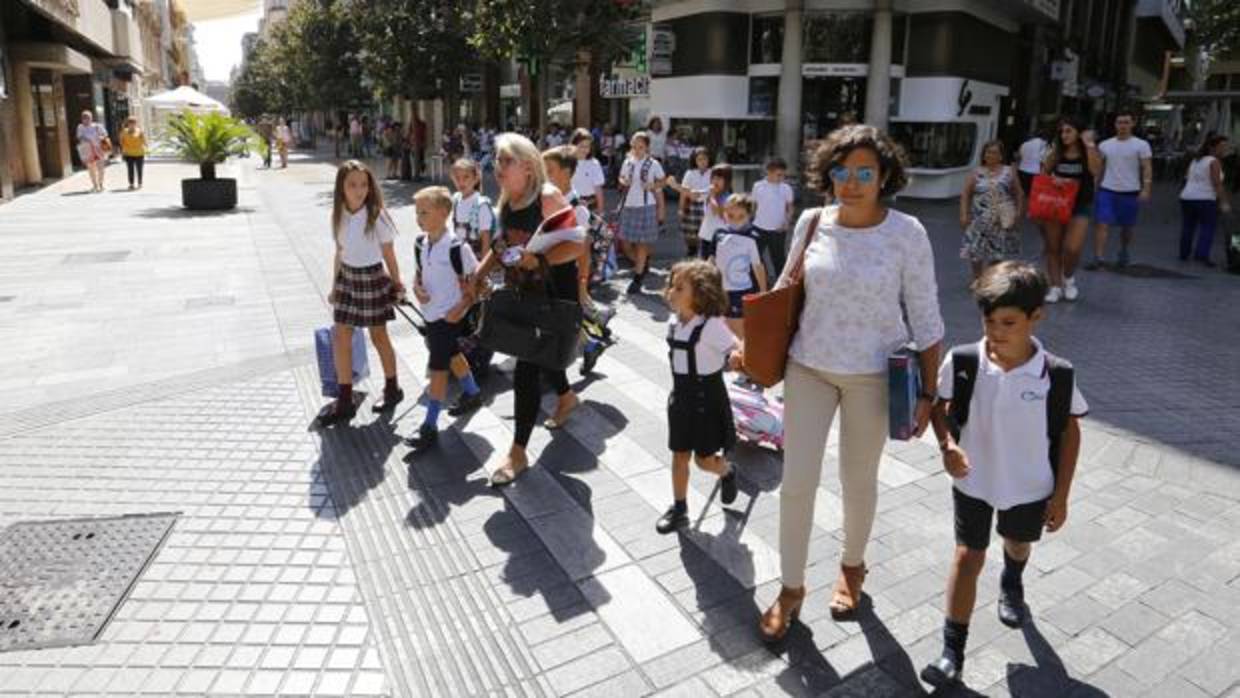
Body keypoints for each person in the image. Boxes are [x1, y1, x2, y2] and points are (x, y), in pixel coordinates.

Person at [752, 125, 945, 641]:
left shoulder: (907, 233)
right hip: (808, 367)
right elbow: (784, 289)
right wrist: (745, 341)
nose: (853, 183)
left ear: (885, 177)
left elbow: (926, 319)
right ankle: (791, 588)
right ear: (828, 175)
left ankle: (852, 566)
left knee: (857, 482)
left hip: (872, 377)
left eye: (865, 172)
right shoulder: (813, 222)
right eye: (842, 172)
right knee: (796, 483)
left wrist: (930, 393)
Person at [920, 261, 1087, 688]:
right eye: (989, 320)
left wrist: (1062, 495)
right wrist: (947, 445)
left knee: (1017, 543)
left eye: (1009, 322)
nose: (996, 331)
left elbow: (1069, 432)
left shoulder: (1056, 373)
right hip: (973, 480)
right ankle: (951, 650)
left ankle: (1012, 581)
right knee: (966, 556)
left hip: (1030, 485)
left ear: (1036, 317)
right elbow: (939, 406)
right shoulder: (964, 361)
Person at [472, 133, 587, 487]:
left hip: (556, 292)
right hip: (526, 291)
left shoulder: (548, 197)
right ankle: (567, 398)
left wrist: (538, 259)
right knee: (543, 354)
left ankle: (517, 452)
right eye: (497, 160)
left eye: (506, 160)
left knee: (526, 366)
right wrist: (479, 274)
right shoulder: (508, 201)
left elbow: (579, 245)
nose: (498, 167)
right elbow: (504, 242)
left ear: (528, 165)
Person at [656, 259, 744, 534]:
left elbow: (734, 346)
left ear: (701, 294)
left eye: (680, 288)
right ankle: (679, 508)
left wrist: (735, 356)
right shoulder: (674, 322)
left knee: (703, 461)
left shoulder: (711, 326)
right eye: (671, 285)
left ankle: (727, 471)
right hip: (680, 398)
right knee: (678, 455)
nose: (671, 292)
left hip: (707, 399)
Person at [320, 161, 406, 427]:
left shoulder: (375, 214)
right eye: (352, 185)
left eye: (364, 184)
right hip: (347, 277)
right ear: (341, 188)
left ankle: (392, 388)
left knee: (378, 335)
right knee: (341, 335)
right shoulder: (338, 215)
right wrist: (335, 285)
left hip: (372, 278)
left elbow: (389, 253)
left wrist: (398, 284)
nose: (359, 190)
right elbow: (340, 252)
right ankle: (345, 398)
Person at [404, 187, 486, 452]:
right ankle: (472, 393)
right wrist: (417, 289)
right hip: (431, 315)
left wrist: (462, 306)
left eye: (424, 212)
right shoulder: (420, 243)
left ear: (444, 213)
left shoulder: (457, 248)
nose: (419, 217)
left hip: (450, 318)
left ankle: (429, 425)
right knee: (451, 355)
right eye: (417, 212)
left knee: (438, 368)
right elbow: (418, 276)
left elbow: (478, 283)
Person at [544, 145, 614, 374]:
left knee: (564, 316)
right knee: (562, 316)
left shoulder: (577, 209)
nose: (544, 176)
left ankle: (579, 350)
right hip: (550, 268)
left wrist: (582, 282)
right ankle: (590, 345)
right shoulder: (549, 200)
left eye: (549, 170)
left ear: (567, 173)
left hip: (569, 272)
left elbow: (582, 249)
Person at [1041, 118, 1101, 303]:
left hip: (1080, 204)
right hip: (1056, 203)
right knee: (1053, 247)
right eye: (1061, 132)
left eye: (1068, 131)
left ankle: (1068, 278)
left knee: (1072, 248)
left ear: (1078, 133)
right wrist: (1054, 180)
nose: (1064, 135)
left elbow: (1095, 170)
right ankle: (1055, 286)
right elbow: (1043, 174)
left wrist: (1089, 144)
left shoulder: (1088, 152)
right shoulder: (1056, 152)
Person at [1089, 110, 1153, 269]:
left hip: (1130, 192)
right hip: (1107, 190)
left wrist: (1146, 189)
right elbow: (1099, 169)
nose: (1123, 126)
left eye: (1126, 122)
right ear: (1115, 124)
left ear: (1133, 124)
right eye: (1119, 122)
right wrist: (1093, 188)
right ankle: (1099, 257)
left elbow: (1147, 167)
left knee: (1127, 227)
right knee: (1102, 223)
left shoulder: (1142, 145)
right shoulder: (1105, 145)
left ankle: (1124, 250)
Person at [700, 194, 767, 340]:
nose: (735, 220)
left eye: (741, 216)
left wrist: (763, 292)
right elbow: (711, 259)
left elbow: (758, 266)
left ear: (749, 215)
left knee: (738, 329)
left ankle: (743, 358)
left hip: (741, 291)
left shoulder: (753, 237)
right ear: (724, 213)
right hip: (721, 290)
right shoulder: (719, 234)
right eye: (730, 215)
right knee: (721, 326)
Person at [959, 140, 1024, 278]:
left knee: (997, 252)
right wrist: (964, 214)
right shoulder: (975, 172)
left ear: (1001, 156)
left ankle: (991, 278)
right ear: (983, 155)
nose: (991, 155)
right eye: (988, 152)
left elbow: (1019, 193)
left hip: (1000, 220)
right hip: (979, 219)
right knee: (976, 251)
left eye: (995, 152)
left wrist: (1018, 213)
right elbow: (966, 194)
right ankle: (978, 277)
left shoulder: (1009, 172)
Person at [618, 131, 667, 294]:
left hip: (646, 206)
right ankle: (642, 263)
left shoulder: (653, 164)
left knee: (641, 243)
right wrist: (624, 181)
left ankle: (637, 278)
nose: (637, 150)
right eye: (635, 146)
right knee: (624, 243)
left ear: (646, 147)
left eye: (641, 147)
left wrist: (652, 186)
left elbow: (663, 180)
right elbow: (621, 178)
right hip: (629, 206)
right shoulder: (628, 162)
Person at [1179, 135, 1232, 266]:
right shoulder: (1214, 161)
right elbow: (1217, 183)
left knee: (1188, 226)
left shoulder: (1195, 160)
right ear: (1212, 147)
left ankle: (1184, 253)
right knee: (1208, 227)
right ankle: (1202, 254)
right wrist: (1224, 201)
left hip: (1187, 197)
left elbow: (1186, 178)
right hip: (1205, 198)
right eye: (1222, 147)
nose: (1225, 149)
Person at [751, 157, 796, 277]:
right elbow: (754, 206)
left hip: (778, 229)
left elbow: (790, 207)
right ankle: (761, 280)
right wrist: (750, 222)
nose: (781, 178)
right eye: (779, 175)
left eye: (783, 175)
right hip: (758, 227)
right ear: (769, 172)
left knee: (779, 259)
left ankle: (781, 286)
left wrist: (787, 223)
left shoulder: (786, 188)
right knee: (755, 257)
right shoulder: (758, 186)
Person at [450, 158, 495, 260]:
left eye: (466, 177)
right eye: (457, 178)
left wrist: (482, 269)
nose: (461, 182)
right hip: (459, 258)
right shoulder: (456, 200)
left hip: (475, 259)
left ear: (476, 178)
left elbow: (486, 238)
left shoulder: (481, 205)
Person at [677, 148, 713, 257]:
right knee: (690, 231)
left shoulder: (713, 173)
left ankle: (702, 251)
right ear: (695, 161)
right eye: (699, 159)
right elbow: (684, 192)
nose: (702, 162)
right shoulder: (690, 173)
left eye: (704, 159)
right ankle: (691, 248)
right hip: (691, 205)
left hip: (707, 205)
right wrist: (681, 209)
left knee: (704, 231)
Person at [569, 128, 606, 218]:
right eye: (581, 146)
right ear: (573, 145)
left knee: (589, 231)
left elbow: (598, 189)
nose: (584, 150)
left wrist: (600, 210)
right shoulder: (567, 163)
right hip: (571, 204)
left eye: (587, 146)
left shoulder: (594, 163)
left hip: (590, 204)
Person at [75, 111, 107, 193]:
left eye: (88, 118)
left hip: (99, 149)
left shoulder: (97, 126)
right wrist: (86, 140)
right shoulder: (80, 127)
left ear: (91, 118)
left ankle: (101, 184)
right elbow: (79, 136)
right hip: (88, 150)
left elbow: (105, 134)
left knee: (101, 168)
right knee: (91, 169)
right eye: (84, 118)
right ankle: (95, 185)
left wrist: (101, 137)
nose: (86, 120)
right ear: (82, 119)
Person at [1015, 129, 1048, 200]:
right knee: (1033, 196)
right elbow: (1042, 159)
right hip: (1034, 172)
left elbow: (1018, 157)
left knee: (1023, 194)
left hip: (1022, 171)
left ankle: (1021, 210)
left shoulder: (1025, 144)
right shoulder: (1043, 143)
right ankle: (1029, 210)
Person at [119, 116, 147, 191]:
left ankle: (140, 183)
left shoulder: (140, 131)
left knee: (139, 169)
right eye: (130, 123)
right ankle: (131, 184)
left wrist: (146, 147)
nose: (132, 125)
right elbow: (121, 141)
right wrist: (123, 149)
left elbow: (144, 140)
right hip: (128, 153)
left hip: (139, 153)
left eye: (133, 123)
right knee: (130, 169)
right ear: (128, 124)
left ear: (136, 124)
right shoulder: (124, 131)